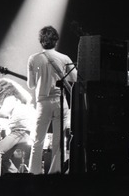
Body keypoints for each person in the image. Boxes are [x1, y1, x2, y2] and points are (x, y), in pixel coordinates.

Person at [27, 26, 77, 174]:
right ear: (56, 40)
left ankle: (34, 173)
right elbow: (75, 78)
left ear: (41, 41)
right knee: (59, 142)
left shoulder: (33, 58)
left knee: (38, 140)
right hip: (60, 101)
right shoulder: (64, 58)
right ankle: (55, 173)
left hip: (42, 102)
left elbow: (31, 85)